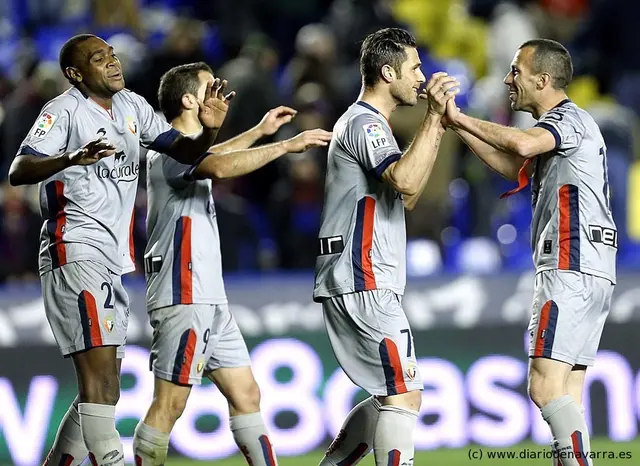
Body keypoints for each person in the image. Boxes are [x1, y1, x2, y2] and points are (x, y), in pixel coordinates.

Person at [8, 34, 232, 466]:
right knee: (104, 387)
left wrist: (212, 128)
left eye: (112, 55)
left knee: (100, 390)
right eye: (99, 59)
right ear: (76, 74)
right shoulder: (62, 112)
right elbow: (20, 168)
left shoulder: (132, 105)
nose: (113, 63)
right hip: (74, 248)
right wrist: (71, 157)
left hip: (112, 260)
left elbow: (184, 152)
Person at [133, 62, 332, 465]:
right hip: (183, 292)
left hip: (209, 295)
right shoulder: (167, 148)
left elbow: (212, 155)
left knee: (246, 393)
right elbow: (219, 166)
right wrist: (285, 147)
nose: (220, 93)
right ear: (189, 100)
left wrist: (260, 132)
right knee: (169, 405)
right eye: (211, 87)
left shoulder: (185, 149)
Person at [444, 39, 616, 465]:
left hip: (569, 263)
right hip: (591, 268)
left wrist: (463, 114)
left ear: (543, 79)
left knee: (542, 388)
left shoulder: (568, 119)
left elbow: (520, 145)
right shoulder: (562, 131)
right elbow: (512, 165)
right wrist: (458, 126)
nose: (507, 79)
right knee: (567, 392)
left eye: (515, 71)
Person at [312, 28, 458, 466]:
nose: (420, 76)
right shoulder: (364, 123)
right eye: (414, 67)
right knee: (405, 395)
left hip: (365, 276)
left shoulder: (370, 125)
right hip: (362, 275)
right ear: (387, 71)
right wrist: (433, 116)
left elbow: (407, 196)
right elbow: (408, 180)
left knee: (389, 393)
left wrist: (437, 124)